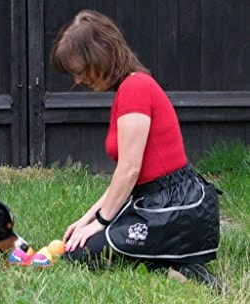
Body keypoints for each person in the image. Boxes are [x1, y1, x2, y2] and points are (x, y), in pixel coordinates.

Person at [50, 10, 223, 290]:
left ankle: (180, 266)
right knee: (77, 243)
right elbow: (127, 175)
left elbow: (130, 170)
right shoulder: (130, 88)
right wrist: (88, 218)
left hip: (174, 207)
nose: (78, 80)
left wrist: (102, 222)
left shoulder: (135, 88)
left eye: (80, 70)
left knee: (82, 253)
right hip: (157, 202)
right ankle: (171, 259)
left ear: (101, 55)